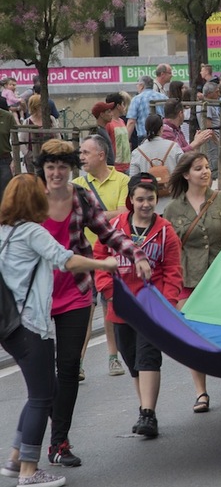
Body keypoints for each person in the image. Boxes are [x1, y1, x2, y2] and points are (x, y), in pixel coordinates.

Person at [34, 139, 151, 468]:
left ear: (71, 169)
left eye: (62, 167)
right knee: (42, 373)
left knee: (69, 367)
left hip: (75, 291)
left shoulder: (80, 197)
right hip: (37, 296)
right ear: (42, 169)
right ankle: (50, 432)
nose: (56, 173)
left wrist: (136, 253)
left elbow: (109, 234)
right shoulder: (30, 197)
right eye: (50, 167)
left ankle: (59, 442)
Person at [0, 174, 118, 487]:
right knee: (41, 396)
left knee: (47, 389)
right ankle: (28, 469)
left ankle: (15, 458)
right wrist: (106, 265)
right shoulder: (31, 232)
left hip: (9, 326)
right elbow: (64, 260)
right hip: (32, 325)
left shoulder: (3, 232)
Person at [93, 173, 182, 439]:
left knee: (148, 359)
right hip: (120, 306)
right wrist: (108, 290)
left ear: (157, 199)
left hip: (151, 307)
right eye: (140, 199)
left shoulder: (165, 231)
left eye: (151, 198)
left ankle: (148, 414)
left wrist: (167, 304)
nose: (145, 204)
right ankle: (144, 409)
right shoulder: (114, 228)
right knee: (132, 362)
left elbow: (173, 270)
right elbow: (99, 257)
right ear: (131, 200)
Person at [163, 152, 221, 413]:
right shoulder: (172, 208)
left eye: (207, 167)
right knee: (193, 335)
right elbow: (168, 247)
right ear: (186, 174)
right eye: (199, 168)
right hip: (188, 277)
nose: (205, 172)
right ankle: (201, 392)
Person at [72, 135, 130, 379]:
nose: (81, 157)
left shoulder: (123, 180)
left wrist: (90, 213)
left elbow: (125, 213)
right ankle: (77, 362)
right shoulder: (76, 183)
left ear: (101, 155)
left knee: (109, 308)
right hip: (83, 257)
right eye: (81, 152)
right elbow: (111, 215)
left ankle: (112, 357)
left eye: (86, 152)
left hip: (110, 255)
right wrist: (104, 214)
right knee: (83, 310)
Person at [131, 114, 183, 178]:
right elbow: (184, 169)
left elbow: (133, 179)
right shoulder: (174, 147)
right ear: (161, 129)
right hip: (171, 186)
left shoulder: (137, 153)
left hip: (147, 187)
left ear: (146, 129)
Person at [126, 76, 168, 143]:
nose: (137, 87)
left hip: (144, 137)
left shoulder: (136, 99)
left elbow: (131, 122)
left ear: (142, 86)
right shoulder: (163, 97)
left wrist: (126, 141)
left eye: (137, 85)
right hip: (162, 135)